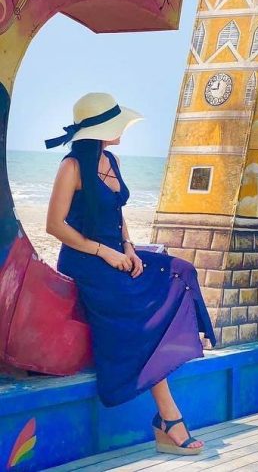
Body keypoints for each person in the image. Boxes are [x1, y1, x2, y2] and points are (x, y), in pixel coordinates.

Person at [45, 92, 216, 456]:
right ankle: (169, 419)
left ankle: (188, 344)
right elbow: (54, 225)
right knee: (136, 313)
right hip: (85, 259)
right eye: (115, 123)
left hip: (118, 253)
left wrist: (128, 247)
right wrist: (104, 252)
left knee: (180, 271)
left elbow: (117, 213)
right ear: (99, 130)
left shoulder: (112, 160)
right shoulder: (71, 167)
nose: (121, 129)